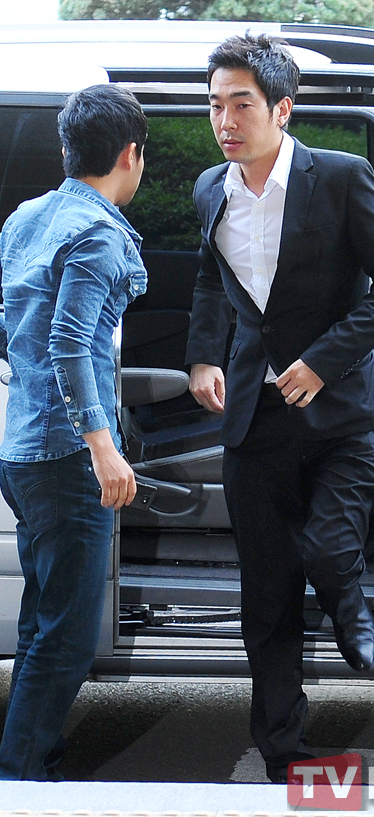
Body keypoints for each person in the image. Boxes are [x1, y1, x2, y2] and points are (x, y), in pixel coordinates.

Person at [186, 34, 374, 783]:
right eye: (214, 105)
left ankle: (352, 605)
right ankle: (285, 753)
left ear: (283, 109)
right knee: (267, 594)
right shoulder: (209, 188)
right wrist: (203, 356)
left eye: (241, 104)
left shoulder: (341, 177)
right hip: (256, 419)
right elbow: (209, 278)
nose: (224, 120)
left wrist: (325, 359)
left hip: (344, 415)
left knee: (326, 545)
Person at [0, 84, 148, 781]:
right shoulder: (99, 234)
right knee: (67, 636)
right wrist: (103, 447)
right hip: (65, 456)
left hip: (21, 447)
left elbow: (15, 330)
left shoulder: (26, 217)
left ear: (67, 148)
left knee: (43, 621)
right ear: (130, 155)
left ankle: (23, 765)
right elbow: (70, 343)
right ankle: (23, 775)